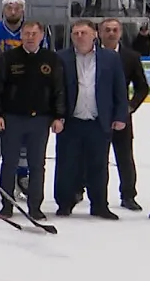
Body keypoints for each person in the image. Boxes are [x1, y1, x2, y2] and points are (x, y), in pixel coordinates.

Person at [0, 20, 65, 219]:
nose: (30, 37)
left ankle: (35, 206)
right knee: (9, 163)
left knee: (37, 165)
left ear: (41, 36)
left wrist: (59, 116)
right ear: (21, 36)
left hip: (40, 120)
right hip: (12, 118)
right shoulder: (8, 58)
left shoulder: (51, 59)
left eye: (34, 34)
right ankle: (7, 204)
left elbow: (59, 90)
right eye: (27, 34)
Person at [53, 20, 129, 219]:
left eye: (83, 33)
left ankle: (99, 205)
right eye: (76, 33)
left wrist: (120, 115)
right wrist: (57, 116)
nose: (79, 36)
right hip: (71, 121)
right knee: (67, 164)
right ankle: (65, 203)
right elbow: (55, 90)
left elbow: (119, 88)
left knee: (99, 165)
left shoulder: (110, 58)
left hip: (99, 121)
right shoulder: (61, 57)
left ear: (94, 34)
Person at [97, 18, 150, 210]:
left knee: (125, 157)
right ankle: (82, 190)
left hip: (121, 115)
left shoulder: (131, 57)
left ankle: (128, 195)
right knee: (93, 156)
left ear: (120, 33)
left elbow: (142, 87)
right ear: (100, 33)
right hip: (95, 114)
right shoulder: (91, 54)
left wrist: (130, 106)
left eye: (115, 30)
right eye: (107, 30)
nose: (111, 33)